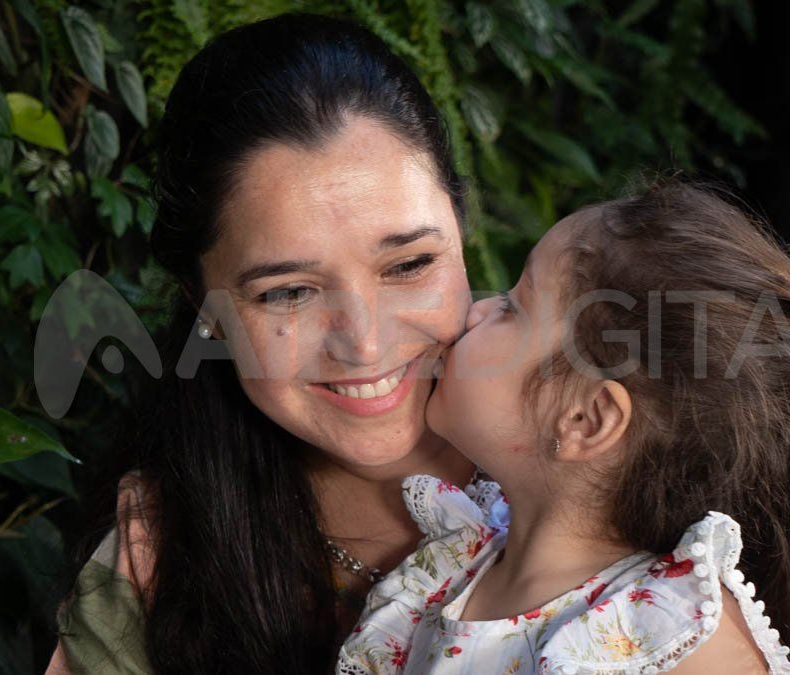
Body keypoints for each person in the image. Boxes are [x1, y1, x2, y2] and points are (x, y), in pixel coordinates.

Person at [44, 14, 486, 673]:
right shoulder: (159, 561)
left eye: (408, 265)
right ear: (207, 311)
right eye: (288, 292)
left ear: (460, 230)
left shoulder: (620, 454)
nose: (364, 343)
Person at [338, 180, 790, 674]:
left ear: (587, 419)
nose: (475, 311)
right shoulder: (446, 570)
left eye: (513, 308)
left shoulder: (672, 640)